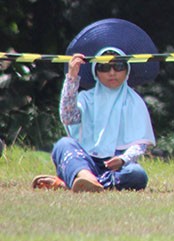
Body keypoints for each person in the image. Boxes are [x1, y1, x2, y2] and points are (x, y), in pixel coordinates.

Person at [32, 47, 155, 192]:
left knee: (137, 175)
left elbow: (139, 144)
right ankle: (85, 176)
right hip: (85, 160)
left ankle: (73, 183)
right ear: (96, 72)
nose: (112, 72)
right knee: (63, 144)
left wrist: (124, 159)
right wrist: (71, 78)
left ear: (127, 70)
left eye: (119, 66)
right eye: (104, 67)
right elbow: (68, 117)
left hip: (116, 165)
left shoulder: (135, 102)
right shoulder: (86, 98)